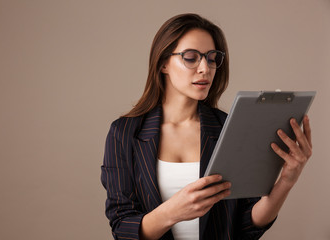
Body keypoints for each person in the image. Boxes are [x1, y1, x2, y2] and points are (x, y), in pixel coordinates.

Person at [100, 13, 312, 240]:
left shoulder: (230, 129)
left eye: (212, 58)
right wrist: (171, 212)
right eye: (191, 57)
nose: (205, 68)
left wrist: (286, 182)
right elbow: (122, 227)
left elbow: (246, 225)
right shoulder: (124, 133)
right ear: (163, 63)